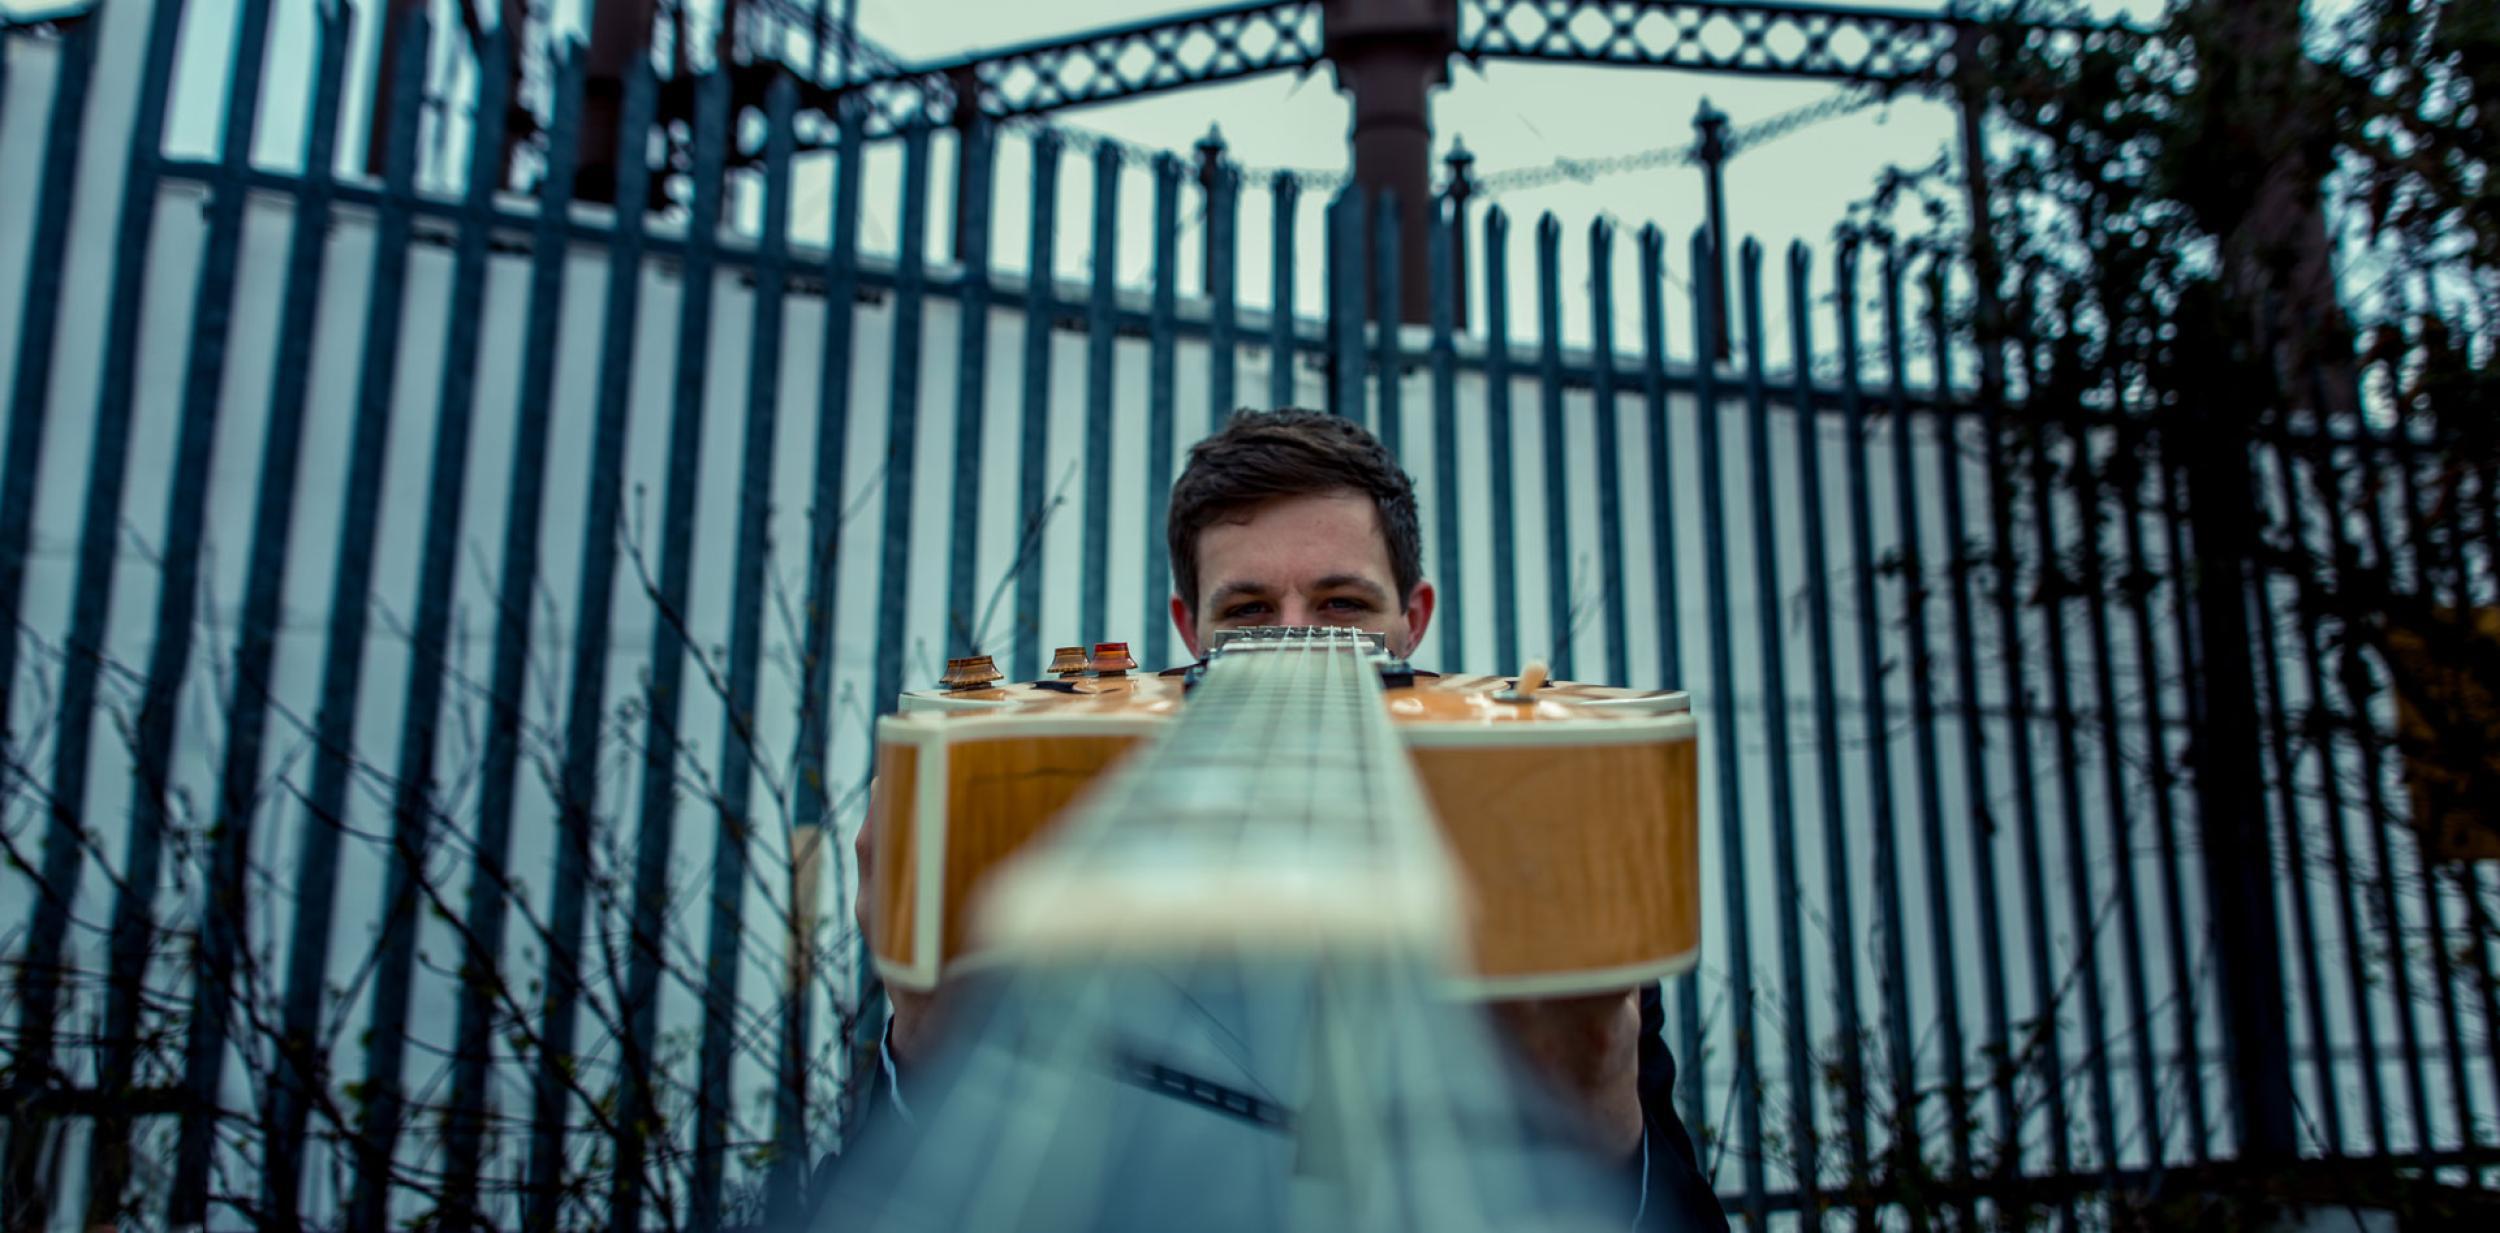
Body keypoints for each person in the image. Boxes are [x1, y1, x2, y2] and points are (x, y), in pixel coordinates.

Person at [837, 408, 1730, 1232]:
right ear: (1191, 628)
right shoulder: (1070, 836)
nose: (1296, 639)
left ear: (1411, 620)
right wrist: (921, 1035)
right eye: (1249, 611)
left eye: (1343, 605)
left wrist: (1604, 1101)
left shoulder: (1536, 861)